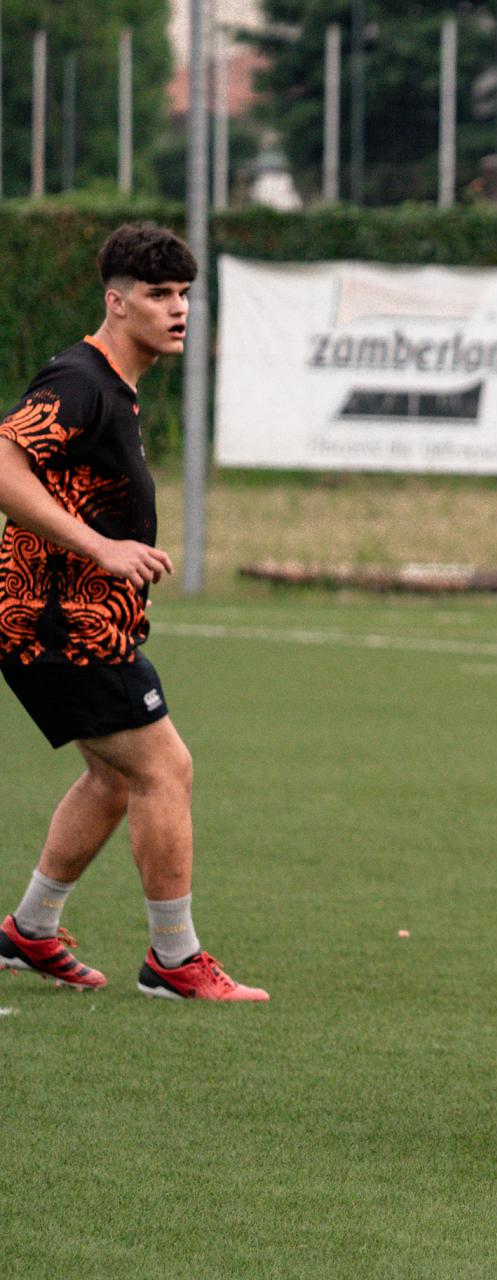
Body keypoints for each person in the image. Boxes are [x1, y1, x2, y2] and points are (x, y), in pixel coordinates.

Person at [0, 223, 267, 1002]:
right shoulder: (81, 381)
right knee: (164, 768)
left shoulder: (113, 388)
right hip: (59, 625)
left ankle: (29, 931)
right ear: (116, 303)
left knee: (114, 779)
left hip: (68, 622)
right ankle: (174, 960)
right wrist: (101, 547)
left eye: (183, 294)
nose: (177, 308)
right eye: (158, 294)